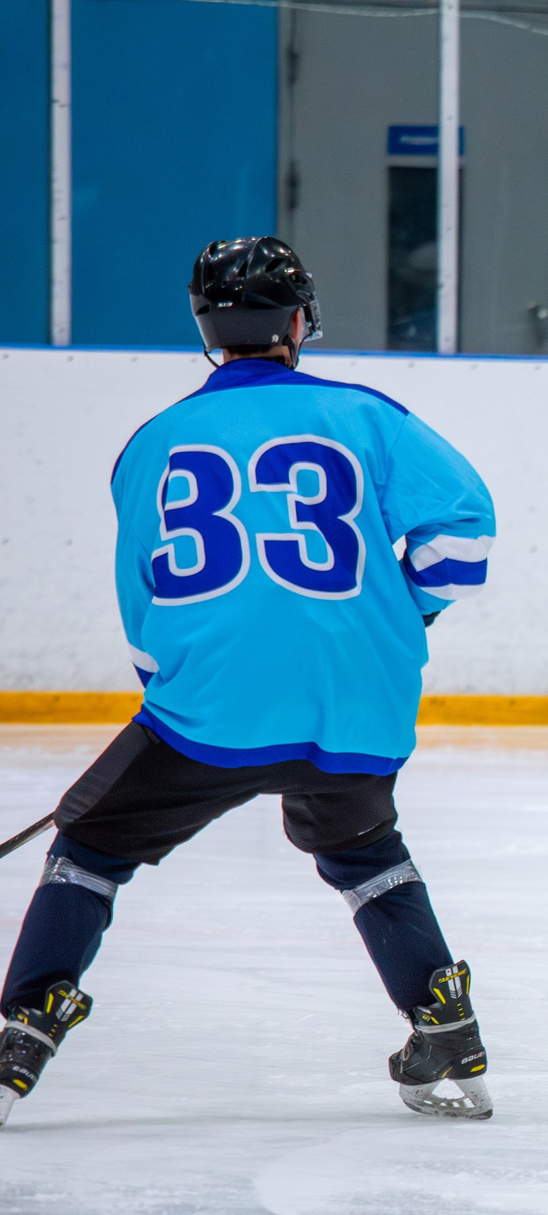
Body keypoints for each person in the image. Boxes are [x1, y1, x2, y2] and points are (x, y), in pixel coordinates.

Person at [0, 237, 501, 1125]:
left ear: (207, 329)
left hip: (209, 713)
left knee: (91, 849)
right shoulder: (368, 417)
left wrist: (175, 689)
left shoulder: (153, 442)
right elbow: (463, 542)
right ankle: (444, 1023)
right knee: (364, 848)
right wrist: (398, 618)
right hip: (356, 707)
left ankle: (23, 1029)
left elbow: (144, 603)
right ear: (299, 321)